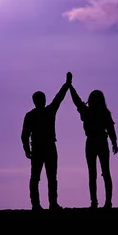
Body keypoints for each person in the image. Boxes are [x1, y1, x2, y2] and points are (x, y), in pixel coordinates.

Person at [21, 72, 72, 210]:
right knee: (40, 177)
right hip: (42, 148)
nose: (43, 101)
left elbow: (59, 98)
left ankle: (49, 204)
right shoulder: (37, 114)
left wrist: (67, 85)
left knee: (47, 177)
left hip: (46, 147)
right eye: (41, 99)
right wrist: (27, 149)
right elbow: (24, 134)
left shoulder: (40, 113)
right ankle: (39, 204)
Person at [69, 79, 118, 209]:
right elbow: (111, 129)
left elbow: (77, 101)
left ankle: (96, 202)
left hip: (93, 142)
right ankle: (105, 202)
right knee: (104, 173)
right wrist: (114, 142)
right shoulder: (103, 113)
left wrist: (70, 87)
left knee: (94, 174)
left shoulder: (88, 112)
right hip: (100, 141)